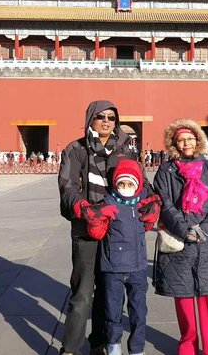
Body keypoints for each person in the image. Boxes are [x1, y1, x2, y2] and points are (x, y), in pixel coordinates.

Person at [58, 100, 142, 355]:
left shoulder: (126, 148)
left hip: (116, 231)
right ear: (90, 119)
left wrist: (149, 203)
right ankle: (71, 348)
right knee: (83, 293)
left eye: (111, 118)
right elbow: (67, 187)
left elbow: (140, 182)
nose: (106, 121)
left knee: (109, 294)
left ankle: (99, 342)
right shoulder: (76, 149)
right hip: (86, 229)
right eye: (100, 116)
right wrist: (87, 210)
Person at [153, 119, 208, 355]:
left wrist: (204, 228)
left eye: (190, 138)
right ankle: (187, 346)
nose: (186, 143)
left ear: (198, 140)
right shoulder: (166, 171)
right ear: (174, 144)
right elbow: (163, 202)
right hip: (181, 244)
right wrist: (184, 229)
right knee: (184, 300)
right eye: (180, 140)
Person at [75, 160, 160, 355]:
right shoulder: (108, 203)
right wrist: (96, 219)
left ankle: (137, 348)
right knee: (112, 311)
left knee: (139, 312)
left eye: (130, 184)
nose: (125, 188)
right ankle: (113, 345)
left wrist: (154, 211)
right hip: (113, 269)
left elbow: (146, 226)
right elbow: (96, 233)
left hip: (137, 268)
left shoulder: (143, 205)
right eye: (121, 184)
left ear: (137, 185)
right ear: (115, 184)